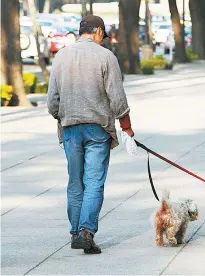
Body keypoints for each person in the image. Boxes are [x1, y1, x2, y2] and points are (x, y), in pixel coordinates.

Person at [47, 15, 135, 255]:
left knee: (75, 181)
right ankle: (87, 231)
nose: (102, 40)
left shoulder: (61, 56)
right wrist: (126, 126)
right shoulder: (106, 56)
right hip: (98, 129)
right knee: (94, 182)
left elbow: (52, 100)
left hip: (70, 128)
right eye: (102, 35)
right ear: (97, 32)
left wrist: (62, 117)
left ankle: (75, 232)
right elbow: (117, 96)